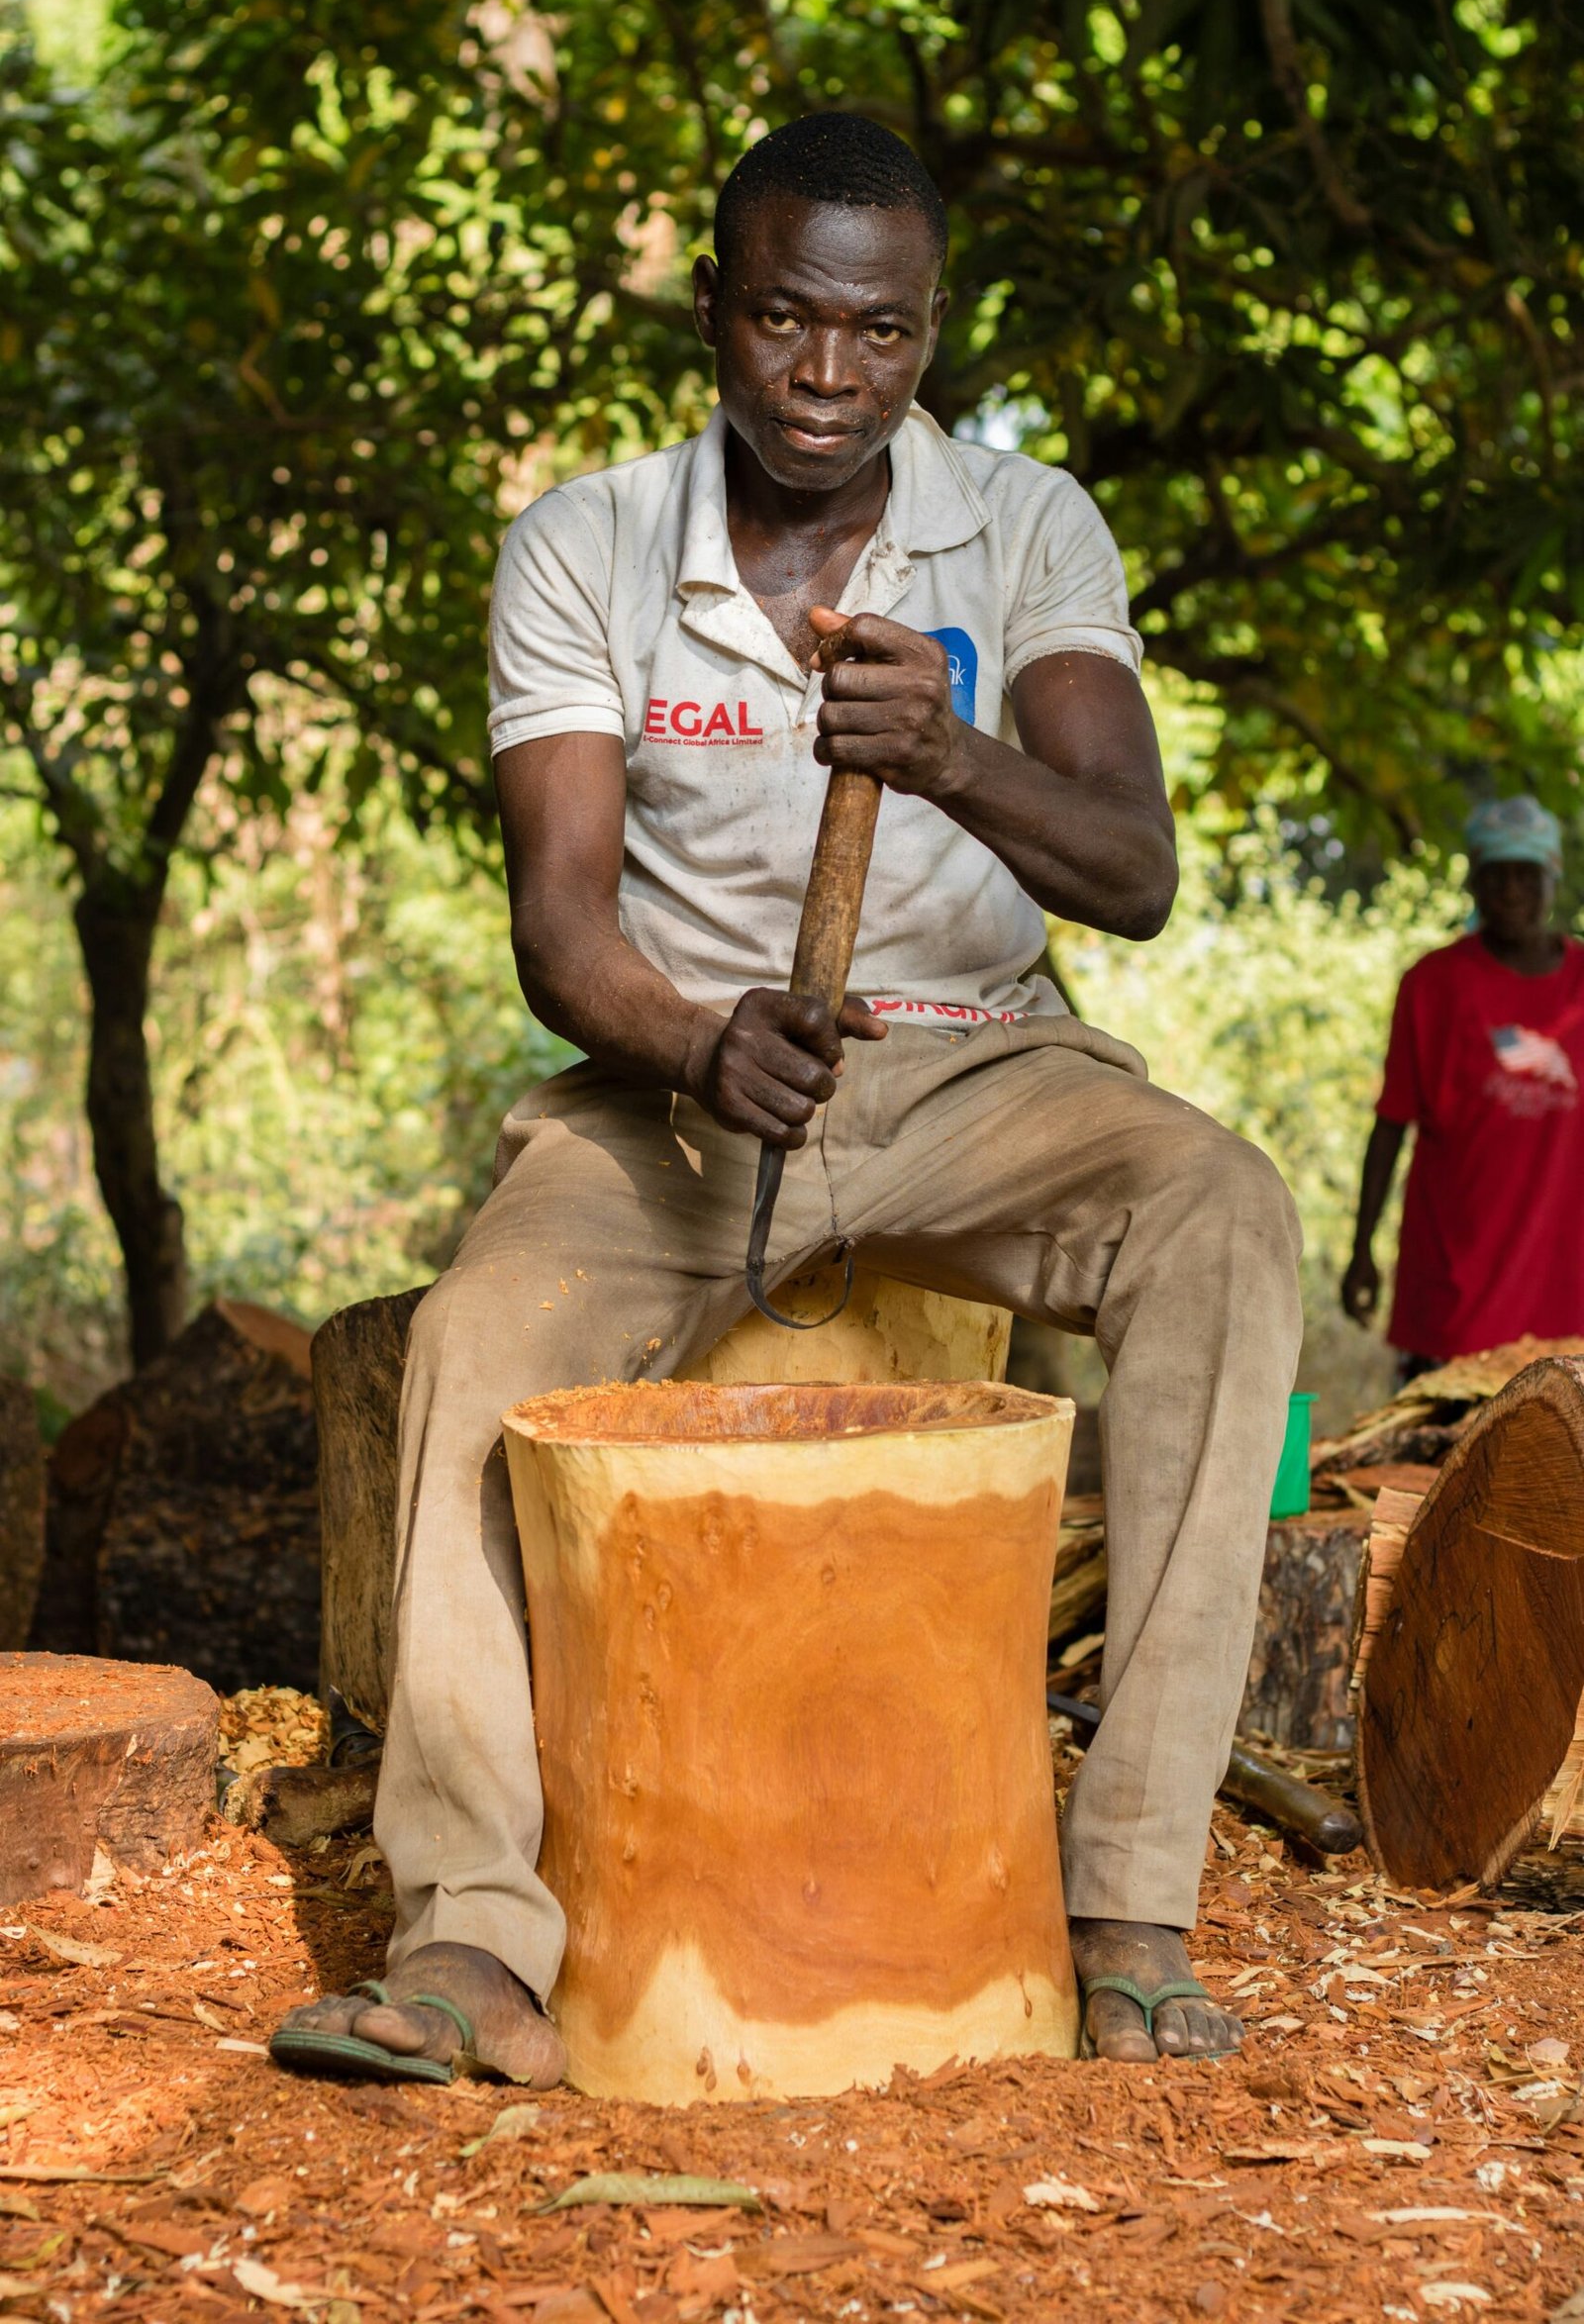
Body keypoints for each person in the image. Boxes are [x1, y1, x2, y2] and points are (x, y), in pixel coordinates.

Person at [270, 113, 1301, 2083]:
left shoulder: (1023, 524)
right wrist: (690, 1042)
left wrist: (955, 759)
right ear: (712, 312)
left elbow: (1133, 872)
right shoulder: (583, 543)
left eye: (879, 333)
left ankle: (1128, 1908)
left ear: (930, 333)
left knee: (1221, 1214)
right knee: (480, 1338)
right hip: (668, 1090)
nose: (826, 379)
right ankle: (475, 1949)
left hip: (981, 1066)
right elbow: (560, 928)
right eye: (782, 321)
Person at [1343, 797, 1584, 1376]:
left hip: (1564, 1299)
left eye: (1526, 875)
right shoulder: (1432, 985)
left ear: (1553, 880)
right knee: (1433, 1461)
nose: (1509, 891)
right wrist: (1361, 1251)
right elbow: (1391, 1123)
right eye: (1493, 875)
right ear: (1474, 884)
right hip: (1453, 1295)